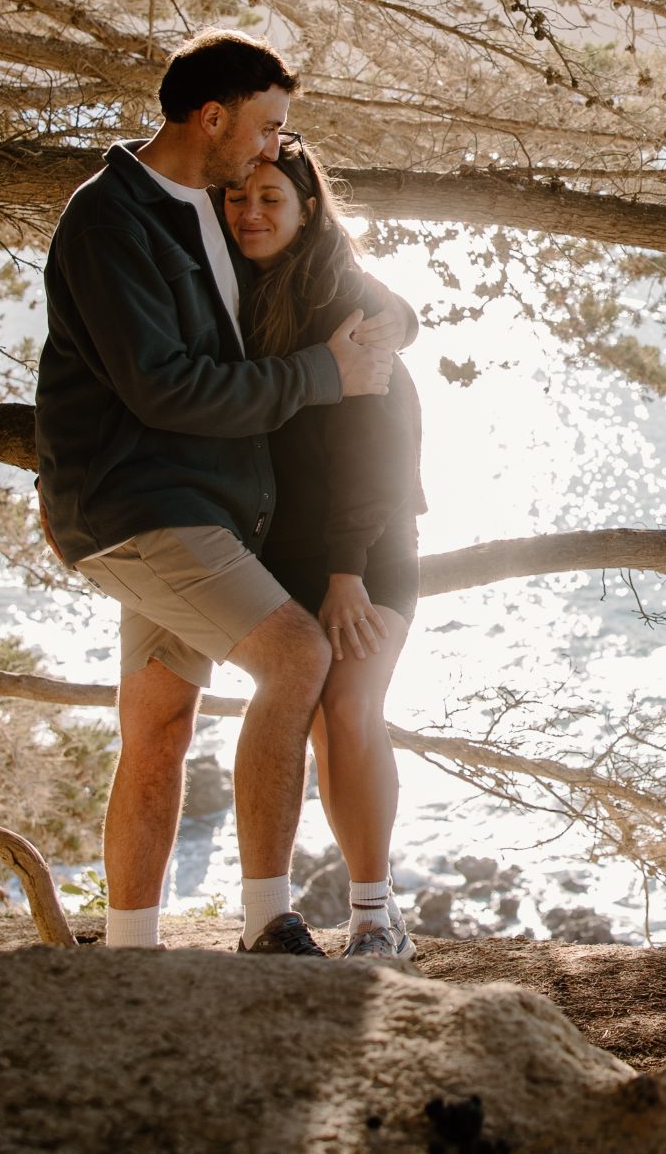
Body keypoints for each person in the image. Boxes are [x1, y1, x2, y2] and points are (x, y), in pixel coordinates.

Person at [34, 30, 403, 958]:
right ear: (212, 118)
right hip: (145, 508)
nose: (274, 147)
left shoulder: (209, 207)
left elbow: (310, 259)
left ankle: (129, 946)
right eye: (269, 126)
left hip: (201, 512)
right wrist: (325, 373)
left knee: (158, 721)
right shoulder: (110, 218)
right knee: (296, 656)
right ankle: (266, 918)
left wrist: (388, 316)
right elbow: (166, 386)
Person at [224, 134, 425, 959]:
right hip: (286, 547)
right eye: (239, 197)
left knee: (349, 709)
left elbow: (379, 449)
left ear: (309, 209)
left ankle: (378, 920)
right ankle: (334, 911)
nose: (252, 212)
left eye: (273, 198)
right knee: (310, 721)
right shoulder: (241, 290)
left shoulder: (347, 301)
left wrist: (346, 571)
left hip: (367, 545)